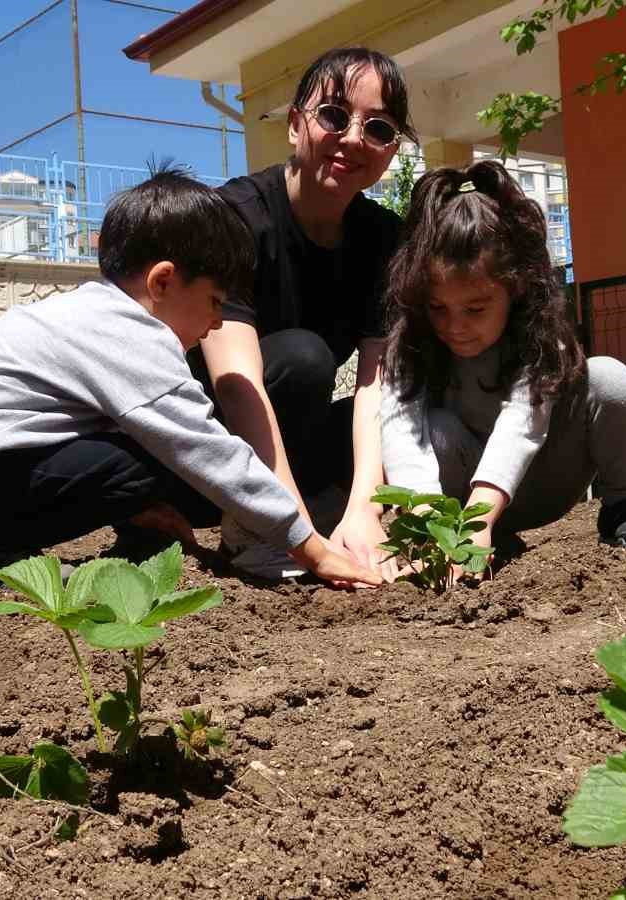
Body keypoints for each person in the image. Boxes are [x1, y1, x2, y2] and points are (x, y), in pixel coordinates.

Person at [0, 168, 382, 593]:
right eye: (213, 302)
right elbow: (211, 453)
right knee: (153, 461)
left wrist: (146, 509)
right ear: (163, 281)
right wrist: (313, 549)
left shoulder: (92, 311)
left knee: (142, 456)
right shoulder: (129, 337)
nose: (214, 324)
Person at [377, 160, 626, 557]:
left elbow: (521, 425)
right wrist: (430, 526)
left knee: (610, 380)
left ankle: (624, 509)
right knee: (436, 426)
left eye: (476, 309)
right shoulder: (412, 342)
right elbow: (402, 437)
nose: (455, 325)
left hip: (542, 486)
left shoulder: (544, 336)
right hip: (456, 496)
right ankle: (473, 535)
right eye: (438, 308)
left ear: (515, 287)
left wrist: (480, 519)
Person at [197, 47, 413, 578]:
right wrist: (293, 532)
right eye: (334, 115)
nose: (354, 138)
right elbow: (233, 383)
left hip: (290, 443)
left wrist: (368, 505)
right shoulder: (236, 219)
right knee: (302, 357)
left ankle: (332, 514)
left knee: (402, 420)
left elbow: (374, 386)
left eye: (379, 128)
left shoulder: (384, 238)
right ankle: (253, 528)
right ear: (296, 125)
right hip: (204, 445)